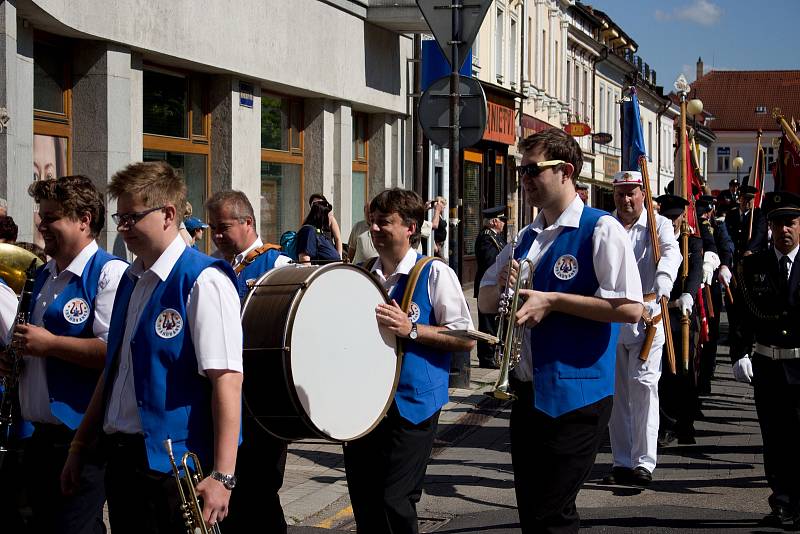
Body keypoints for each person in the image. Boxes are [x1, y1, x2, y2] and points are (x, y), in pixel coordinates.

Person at [61, 161, 243, 532]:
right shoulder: (132, 278)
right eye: (120, 218)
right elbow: (113, 372)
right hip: (126, 458)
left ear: (168, 214)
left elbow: (227, 379)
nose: (123, 228)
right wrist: (80, 446)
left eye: (133, 217)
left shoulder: (203, 280)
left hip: (177, 468)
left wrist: (223, 475)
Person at [478, 128, 643, 533]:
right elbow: (483, 300)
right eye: (522, 170)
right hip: (528, 391)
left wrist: (551, 301)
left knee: (553, 514)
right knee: (534, 515)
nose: (525, 179)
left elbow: (631, 308)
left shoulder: (601, 228)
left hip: (577, 393)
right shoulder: (525, 237)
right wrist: (504, 287)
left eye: (534, 169)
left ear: (566, 171)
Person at [1, 175, 127, 534]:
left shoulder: (108, 273)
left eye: (52, 217)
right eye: (42, 216)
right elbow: (27, 344)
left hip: (81, 436)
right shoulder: (41, 275)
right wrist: (12, 359)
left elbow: (112, 353)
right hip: (39, 437)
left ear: (84, 220)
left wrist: (50, 344)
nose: (42, 225)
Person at [343, 188, 474, 534]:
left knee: (394, 500)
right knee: (365, 501)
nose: (373, 229)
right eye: (372, 221)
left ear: (410, 228)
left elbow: (464, 339)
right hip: (364, 407)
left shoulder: (433, 273)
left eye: (384, 222)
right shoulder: (360, 274)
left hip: (412, 404)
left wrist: (411, 329)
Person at [205, 189, 290, 533]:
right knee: (229, 493)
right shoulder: (214, 268)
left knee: (259, 490)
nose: (218, 235)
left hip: (263, 401)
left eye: (224, 227)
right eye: (213, 228)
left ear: (248, 222)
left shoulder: (279, 265)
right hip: (225, 398)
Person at [605, 171, 681, 487]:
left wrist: (663, 286)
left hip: (648, 315)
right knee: (617, 393)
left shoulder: (657, 224)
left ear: (643, 194)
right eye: (621, 194)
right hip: (611, 315)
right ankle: (622, 460)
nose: (626, 200)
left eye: (632, 193)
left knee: (645, 387)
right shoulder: (605, 225)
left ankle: (643, 462)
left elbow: (671, 253)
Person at [730, 191, 800, 530]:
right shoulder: (752, 265)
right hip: (769, 366)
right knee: (775, 439)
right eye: (777, 223)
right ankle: (783, 503)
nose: (784, 229)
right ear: (768, 227)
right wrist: (739, 351)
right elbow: (741, 315)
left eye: (791, 222)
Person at [655, 193, 704, 446]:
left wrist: (689, 293)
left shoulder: (691, 242)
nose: (673, 222)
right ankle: (666, 424)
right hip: (661, 311)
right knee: (663, 371)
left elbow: (695, 271)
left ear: (684, 216)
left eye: (676, 217)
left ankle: (686, 424)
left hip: (683, 313)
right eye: (668, 217)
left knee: (685, 370)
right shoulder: (655, 241)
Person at [696, 195, 734, 395]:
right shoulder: (694, 227)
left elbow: (726, 247)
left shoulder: (718, 227)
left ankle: (706, 376)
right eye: (700, 213)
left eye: (705, 213)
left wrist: (724, 265)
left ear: (711, 212)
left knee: (711, 333)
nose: (703, 217)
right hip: (696, 286)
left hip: (712, 287)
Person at [473, 205, 507, 369]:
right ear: (494, 222)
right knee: (487, 324)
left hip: (496, 286)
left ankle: (494, 353)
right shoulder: (486, 238)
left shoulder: (496, 238)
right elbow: (490, 262)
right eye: (502, 220)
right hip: (487, 286)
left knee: (495, 323)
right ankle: (486, 357)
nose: (504, 224)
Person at [725, 184, 767, 261]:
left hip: (751, 254)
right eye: (745, 198)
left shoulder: (758, 215)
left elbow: (759, 234)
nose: (747, 202)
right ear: (740, 198)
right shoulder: (731, 214)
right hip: (733, 253)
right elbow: (727, 233)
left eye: (750, 199)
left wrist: (750, 249)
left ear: (754, 200)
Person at [308, 193, 343, 258]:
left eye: (320, 203)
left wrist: (339, 257)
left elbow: (338, 239)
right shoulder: (308, 221)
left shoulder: (330, 219)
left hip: (329, 256)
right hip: (314, 257)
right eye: (315, 204)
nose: (318, 206)